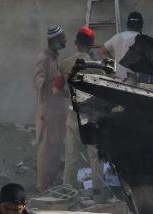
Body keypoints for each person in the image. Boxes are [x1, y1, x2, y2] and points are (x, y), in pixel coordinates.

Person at [58, 26, 104, 192]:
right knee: (94, 156)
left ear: (76, 43)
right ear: (91, 45)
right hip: (90, 115)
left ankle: (66, 191)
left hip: (72, 113)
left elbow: (56, 90)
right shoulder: (97, 66)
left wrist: (69, 95)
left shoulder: (64, 64)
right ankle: (97, 193)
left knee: (71, 156)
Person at [34, 25, 68, 192]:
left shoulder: (56, 57)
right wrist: (52, 82)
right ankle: (42, 186)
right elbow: (37, 81)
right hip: (47, 110)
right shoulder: (44, 58)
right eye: (62, 39)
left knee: (56, 149)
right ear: (54, 41)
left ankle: (51, 183)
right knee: (46, 149)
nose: (65, 41)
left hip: (58, 111)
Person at [98, 11, 143, 81]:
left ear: (127, 25)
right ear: (141, 26)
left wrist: (114, 63)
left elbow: (101, 51)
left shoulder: (117, 37)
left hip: (117, 82)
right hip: (134, 84)